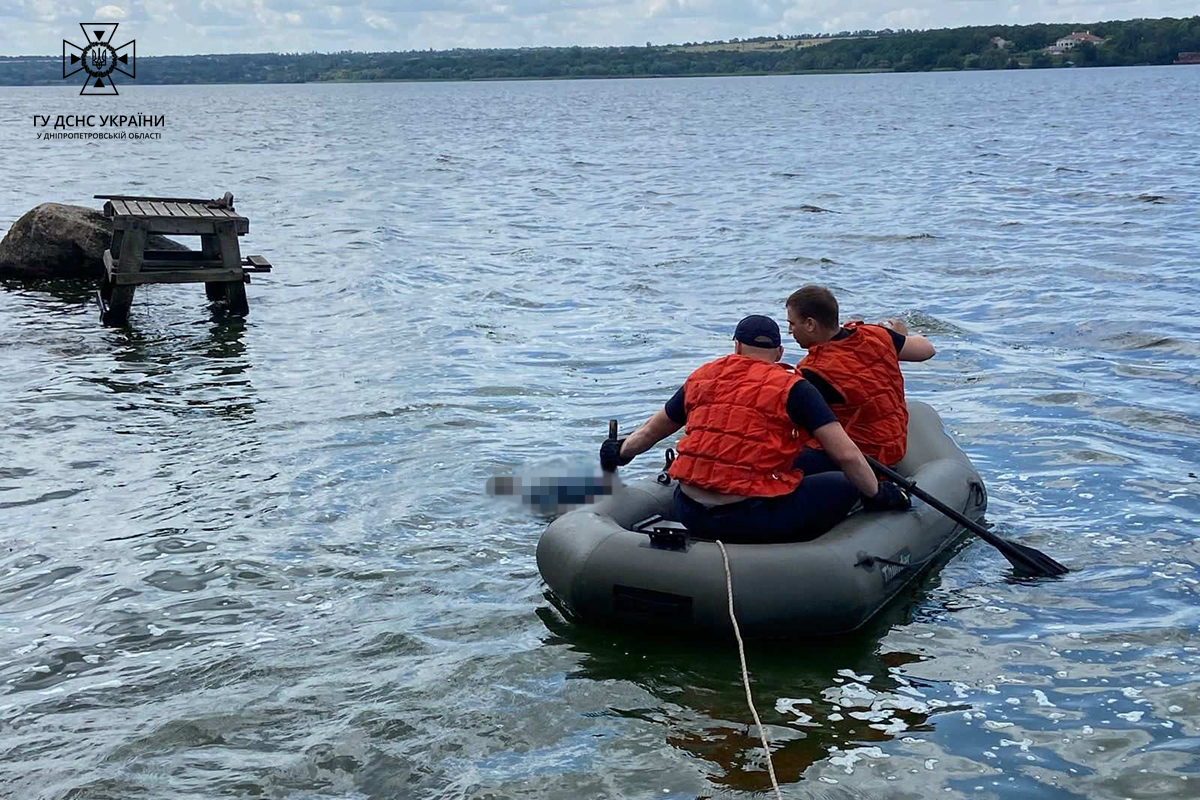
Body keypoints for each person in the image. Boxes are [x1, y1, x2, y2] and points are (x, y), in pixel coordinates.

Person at [599, 315, 909, 543]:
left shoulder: (702, 377)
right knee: (846, 483)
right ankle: (812, 544)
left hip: (689, 510)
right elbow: (847, 455)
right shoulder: (794, 387)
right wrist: (877, 492)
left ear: (736, 346)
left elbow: (651, 432)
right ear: (779, 354)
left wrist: (619, 452)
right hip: (751, 519)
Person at [785, 285, 935, 476]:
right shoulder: (876, 335)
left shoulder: (813, 371)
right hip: (892, 445)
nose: (790, 331)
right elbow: (926, 350)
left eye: (792, 324)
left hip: (863, 458)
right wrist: (899, 336)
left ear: (810, 324)